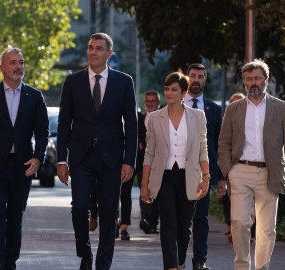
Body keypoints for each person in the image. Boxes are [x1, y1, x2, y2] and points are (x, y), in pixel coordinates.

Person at [57, 32, 137, 270]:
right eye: (90, 47)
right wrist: (62, 159)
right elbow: (64, 122)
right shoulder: (72, 81)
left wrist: (129, 160)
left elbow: (131, 125)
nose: (93, 52)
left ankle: (103, 263)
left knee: (110, 210)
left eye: (99, 48)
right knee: (80, 205)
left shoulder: (124, 82)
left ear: (109, 54)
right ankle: (85, 253)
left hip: (112, 157)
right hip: (81, 155)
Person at [218, 59, 285, 270]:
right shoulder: (234, 109)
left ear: (266, 80)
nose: (253, 82)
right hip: (240, 171)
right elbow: (224, 142)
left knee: (266, 228)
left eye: (257, 78)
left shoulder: (281, 107)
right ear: (244, 82)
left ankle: (262, 267)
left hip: (270, 172)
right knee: (239, 222)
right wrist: (229, 171)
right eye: (248, 79)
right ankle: (242, 266)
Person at [0, 47, 49, 270]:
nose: (18, 67)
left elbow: (42, 131)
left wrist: (38, 158)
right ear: (2, 67)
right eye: (13, 63)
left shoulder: (34, 96)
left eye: (21, 62)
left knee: (15, 216)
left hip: (23, 167)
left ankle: (10, 262)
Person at [141, 72, 209, 270]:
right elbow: (149, 154)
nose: (169, 93)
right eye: (167, 89)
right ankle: (170, 266)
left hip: (189, 176)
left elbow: (203, 149)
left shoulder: (197, 116)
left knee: (184, 226)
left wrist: (206, 177)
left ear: (183, 93)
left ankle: (180, 264)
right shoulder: (155, 118)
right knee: (168, 222)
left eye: (174, 90)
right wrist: (144, 184)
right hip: (164, 177)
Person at [184, 63, 225, 270]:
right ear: (186, 77)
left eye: (200, 76)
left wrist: (222, 177)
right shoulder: (174, 104)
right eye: (193, 76)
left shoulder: (214, 109)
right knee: (179, 219)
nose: (196, 80)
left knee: (200, 217)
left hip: (203, 172)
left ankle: (200, 260)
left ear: (205, 80)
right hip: (177, 170)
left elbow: (220, 144)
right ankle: (178, 259)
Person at [221, 93, 248, 244]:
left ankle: (248, 232)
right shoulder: (225, 123)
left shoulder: (252, 122)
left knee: (249, 203)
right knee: (229, 200)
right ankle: (231, 231)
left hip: (248, 167)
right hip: (230, 168)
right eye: (233, 103)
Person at [137, 90, 161, 234]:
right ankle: (145, 220)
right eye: (147, 101)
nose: (150, 104)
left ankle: (153, 223)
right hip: (142, 162)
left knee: (157, 194)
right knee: (144, 191)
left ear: (158, 102)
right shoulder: (139, 119)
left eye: (153, 101)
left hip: (159, 163)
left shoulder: (164, 118)